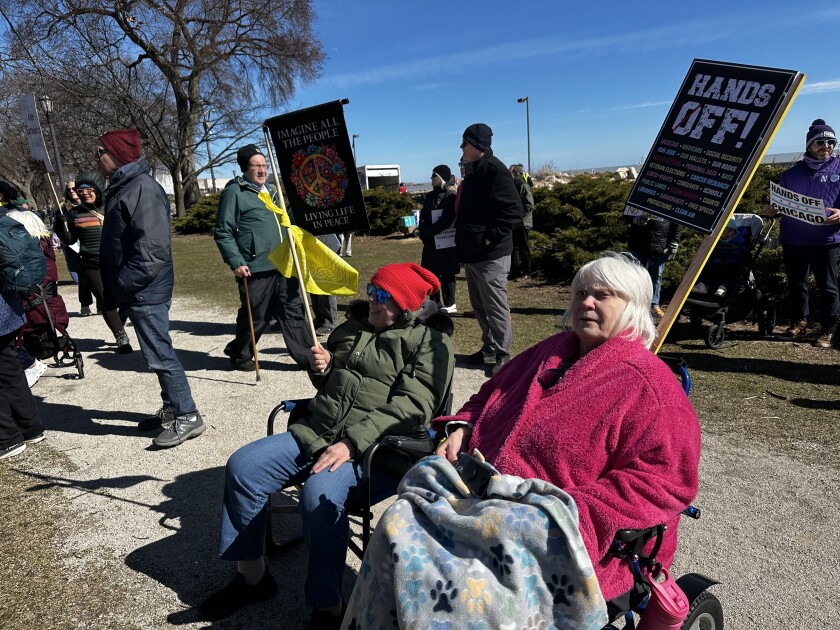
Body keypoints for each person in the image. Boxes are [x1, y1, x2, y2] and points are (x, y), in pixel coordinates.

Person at [429, 252, 700, 606]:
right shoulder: (549, 352)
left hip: (556, 531)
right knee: (401, 530)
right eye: (580, 294)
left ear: (632, 306)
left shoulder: (650, 388)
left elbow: (665, 483)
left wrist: (565, 513)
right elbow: (488, 395)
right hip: (481, 499)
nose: (586, 302)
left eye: (602, 295)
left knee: (455, 593)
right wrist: (462, 427)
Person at [197, 263, 454, 628]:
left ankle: (328, 607)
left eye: (385, 297)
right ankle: (252, 578)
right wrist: (324, 367)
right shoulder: (354, 327)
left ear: (407, 306)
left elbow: (413, 407)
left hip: (374, 450)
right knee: (244, 466)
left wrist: (352, 443)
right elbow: (333, 385)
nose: (373, 302)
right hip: (319, 430)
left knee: (318, 496)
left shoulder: (430, 344)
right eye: (372, 291)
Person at [97, 128, 205, 447]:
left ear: (115, 155)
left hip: (144, 289)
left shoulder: (141, 187)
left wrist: (122, 284)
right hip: (136, 288)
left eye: (99, 151)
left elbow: (152, 250)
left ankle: (188, 415)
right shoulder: (124, 186)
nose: (96, 157)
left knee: (160, 353)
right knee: (153, 353)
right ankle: (173, 408)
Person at [214, 144, 311, 370]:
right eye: (256, 166)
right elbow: (223, 231)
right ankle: (240, 353)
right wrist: (236, 262)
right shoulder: (235, 192)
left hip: (283, 264)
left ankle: (307, 357)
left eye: (265, 165)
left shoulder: (273, 192)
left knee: (293, 311)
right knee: (257, 315)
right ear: (245, 168)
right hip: (255, 266)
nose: (262, 170)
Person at [455, 123, 523, 374]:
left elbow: (513, 211)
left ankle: (503, 354)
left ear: (476, 145)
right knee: (480, 305)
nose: (461, 147)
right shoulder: (474, 172)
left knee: (495, 305)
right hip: (473, 254)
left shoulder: (496, 171)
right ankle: (490, 347)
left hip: (491, 254)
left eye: (464, 143)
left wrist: (488, 238)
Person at [766, 119, 840, 348]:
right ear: (809, 145)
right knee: (797, 284)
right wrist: (772, 211)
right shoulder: (791, 173)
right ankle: (799, 322)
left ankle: (829, 329)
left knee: (827, 286)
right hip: (794, 239)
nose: (825, 146)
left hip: (827, 239)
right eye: (820, 142)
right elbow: (780, 205)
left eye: (831, 142)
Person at [53, 173, 132, 353]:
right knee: (106, 300)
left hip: (117, 261)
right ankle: (120, 335)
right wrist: (60, 224)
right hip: (91, 263)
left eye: (89, 190)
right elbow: (69, 239)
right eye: (80, 191)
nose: (85, 194)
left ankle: (118, 323)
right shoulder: (74, 214)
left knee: (127, 298)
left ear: (96, 190)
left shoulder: (111, 207)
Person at [0, 200, 47, 460]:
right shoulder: (2, 220)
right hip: (7, 308)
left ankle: (6, 438)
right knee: (11, 370)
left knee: (8, 370)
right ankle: (31, 428)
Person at [625, 210, 682, 317]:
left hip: (659, 246)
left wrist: (674, 242)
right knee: (634, 275)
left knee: (656, 276)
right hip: (637, 244)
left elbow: (677, 223)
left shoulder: (672, 201)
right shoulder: (642, 195)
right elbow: (627, 212)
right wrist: (634, 219)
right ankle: (632, 303)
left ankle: (653, 305)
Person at [418, 164, 459, 313]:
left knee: (447, 272)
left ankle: (450, 303)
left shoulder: (451, 196)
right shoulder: (429, 196)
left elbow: (447, 219)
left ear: (442, 177)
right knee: (431, 272)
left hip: (446, 241)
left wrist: (430, 231)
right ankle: (434, 303)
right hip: (430, 242)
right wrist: (423, 231)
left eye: (434, 176)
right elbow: (423, 215)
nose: (431, 178)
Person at [692, 218, 751, 297]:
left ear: (735, 232)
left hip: (730, 262)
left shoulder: (739, 240)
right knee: (706, 265)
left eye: (730, 231)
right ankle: (703, 284)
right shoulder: (716, 240)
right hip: (716, 262)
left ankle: (723, 286)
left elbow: (741, 252)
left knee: (731, 269)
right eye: (723, 231)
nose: (726, 233)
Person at [509, 163, 535, 281]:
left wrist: (518, 216)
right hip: (515, 223)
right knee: (514, 248)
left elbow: (529, 204)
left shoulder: (523, 185)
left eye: (511, 172)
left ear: (515, 173)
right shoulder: (512, 186)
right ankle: (516, 272)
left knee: (523, 248)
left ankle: (527, 272)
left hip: (523, 223)